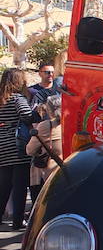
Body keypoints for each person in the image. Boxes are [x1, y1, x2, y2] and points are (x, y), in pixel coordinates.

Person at [0, 69, 39, 230]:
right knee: (20, 185)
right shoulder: (17, 98)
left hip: (2, 146)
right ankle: (17, 221)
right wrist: (36, 112)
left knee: (4, 186)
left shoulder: (2, 99)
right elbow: (26, 116)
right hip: (17, 146)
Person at [26, 94, 62, 204]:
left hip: (46, 173)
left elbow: (30, 150)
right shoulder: (68, 123)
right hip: (65, 170)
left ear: (49, 110)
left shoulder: (45, 126)